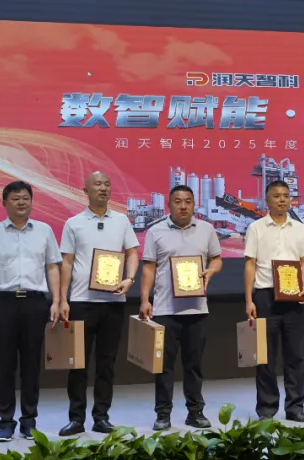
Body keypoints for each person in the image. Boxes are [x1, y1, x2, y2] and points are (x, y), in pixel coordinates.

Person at [0, 181, 61, 442]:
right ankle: (5, 423)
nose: (21, 202)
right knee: (5, 364)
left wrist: (56, 301)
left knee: (31, 365)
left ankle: (29, 421)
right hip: (3, 304)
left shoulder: (44, 231)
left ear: (32, 202)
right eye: (15, 198)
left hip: (35, 303)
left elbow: (52, 267)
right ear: (4, 203)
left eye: (26, 198)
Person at [57, 171, 140, 436]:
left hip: (114, 301)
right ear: (86, 190)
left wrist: (129, 279)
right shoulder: (74, 223)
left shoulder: (122, 220)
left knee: (107, 363)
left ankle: (101, 417)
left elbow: (132, 253)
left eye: (106, 184)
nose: (103, 188)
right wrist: (63, 299)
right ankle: (76, 419)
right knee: (77, 363)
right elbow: (66, 262)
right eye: (97, 184)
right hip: (82, 301)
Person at [139, 185, 223, 431]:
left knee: (194, 365)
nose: (183, 206)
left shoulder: (207, 229)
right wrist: (145, 299)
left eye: (188, 201)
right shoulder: (155, 231)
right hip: (165, 309)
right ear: (169, 205)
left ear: (194, 204)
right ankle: (163, 413)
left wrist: (211, 271)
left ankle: (195, 412)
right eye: (178, 201)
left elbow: (216, 259)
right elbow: (149, 267)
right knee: (163, 366)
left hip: (197, 309)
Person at [244, 180, 304, 422]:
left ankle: (295, 407)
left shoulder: (299, 228)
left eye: (286, 195)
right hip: (265, 296)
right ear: (267, 200)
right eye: (277, 196)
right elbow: (250, 264)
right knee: (265, 356)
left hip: (293, 298)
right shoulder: (256, 228)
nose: (282, 199)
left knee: (295, 355)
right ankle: (267, 408)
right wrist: (249, 299)